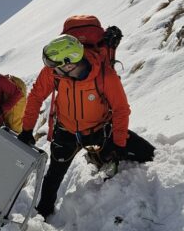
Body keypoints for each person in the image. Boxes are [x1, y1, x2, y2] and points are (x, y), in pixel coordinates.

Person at [18, 35, 155, 218]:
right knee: (54, 176)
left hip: (99, 131)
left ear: (69, 64)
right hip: (65, 132)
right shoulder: (54, 73)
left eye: (55, 66)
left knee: (148, 154)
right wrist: (27, 129)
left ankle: (101, 157)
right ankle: (44, 213)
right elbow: (35, 96)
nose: (51, 70)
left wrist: (119, 143)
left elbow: (121, 110)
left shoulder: (105, 76)